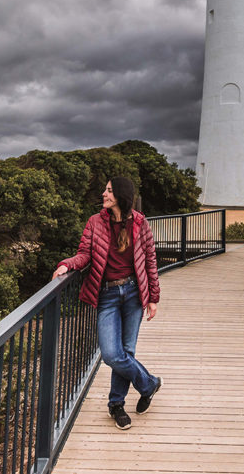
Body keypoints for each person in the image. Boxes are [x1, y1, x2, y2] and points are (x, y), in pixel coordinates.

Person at [53, 176, 162, 430]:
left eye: (109, 191)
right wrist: (67, 264)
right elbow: (85, 253)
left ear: (120, 196)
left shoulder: (139, 222)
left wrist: (153, 298)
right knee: (112, 354)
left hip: (134, 293)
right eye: (105, 190)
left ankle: (116, 405)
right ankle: (149, 384)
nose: (104, 194)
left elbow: (150, 260)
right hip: (108, 295)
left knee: (126, 351)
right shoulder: (95, 222)